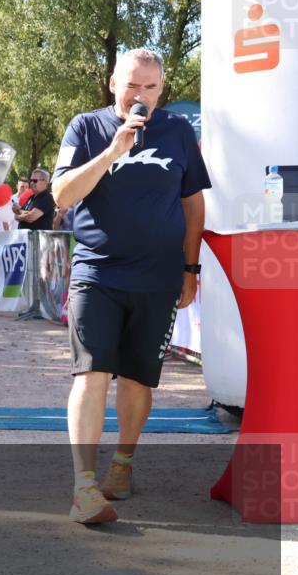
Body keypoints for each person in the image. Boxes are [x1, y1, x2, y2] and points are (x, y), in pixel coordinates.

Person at [51, 49, 209, 524]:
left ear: (162, 90)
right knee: (91, 372)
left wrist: (190, 270)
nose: (139, 95)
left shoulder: (179, 132)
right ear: (112, 82)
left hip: (158, 277)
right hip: (97, 273)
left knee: (140, 379)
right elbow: (61, 195)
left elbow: (194, 207)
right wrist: (111, 152)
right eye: (131, 85)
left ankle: (122, 465)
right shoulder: (85, 127)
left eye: (150, 88)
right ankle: (84, 487)